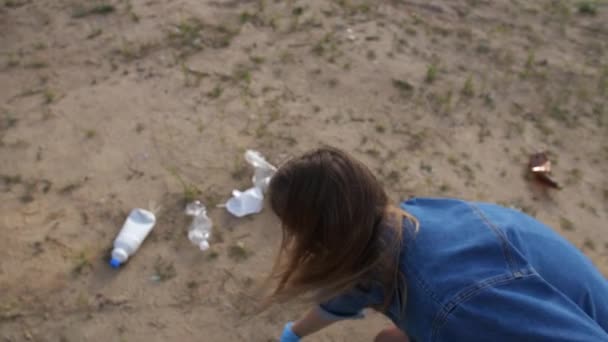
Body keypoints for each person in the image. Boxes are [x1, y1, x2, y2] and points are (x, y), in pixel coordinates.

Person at [264, 147, 608, 342]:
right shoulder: (408, 220)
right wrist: (293, 334)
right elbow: (355, 285)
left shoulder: (453, 305)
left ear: (318, 236)